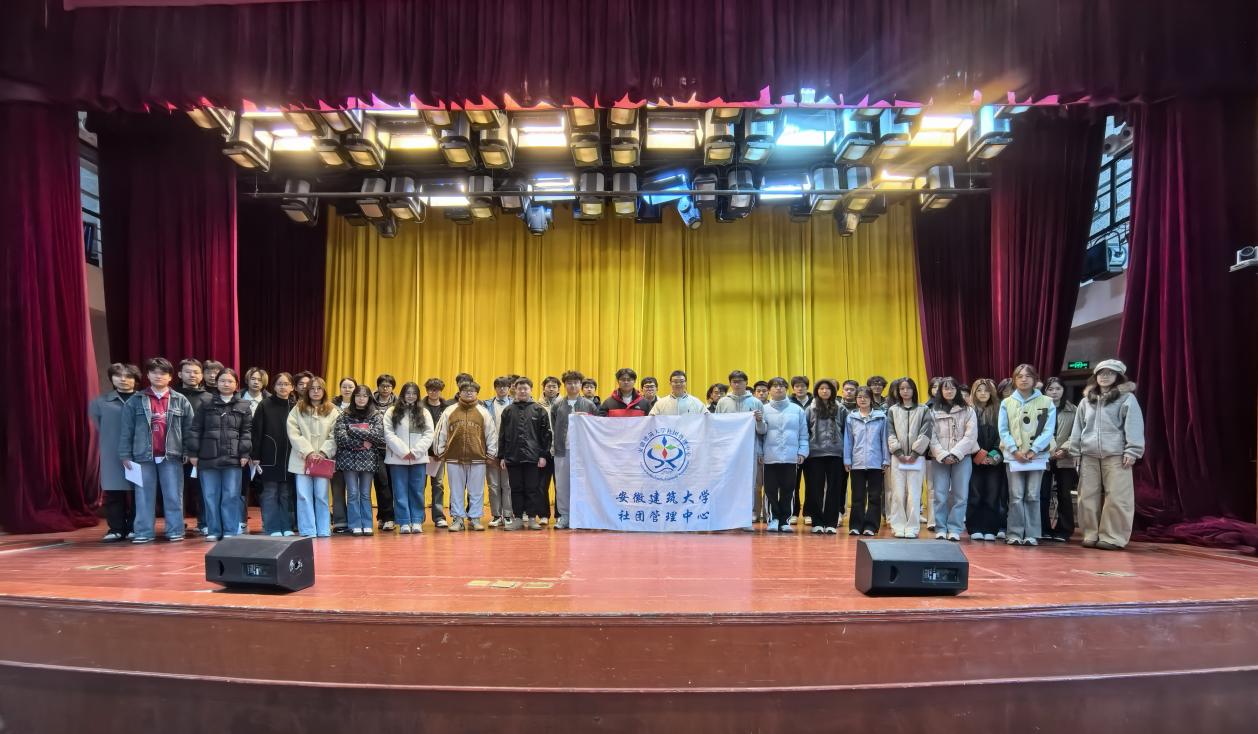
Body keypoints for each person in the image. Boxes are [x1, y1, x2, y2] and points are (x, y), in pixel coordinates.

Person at [1069, 360, 1145, 550]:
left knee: (1118, 497)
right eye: (1101, 373)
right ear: (1095, 376)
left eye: (1110, 373)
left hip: (1116, 454)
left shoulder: (1127, 398)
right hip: (1088, 454)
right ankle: (1090, 533)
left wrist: (1132, 450)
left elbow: (1134, 425)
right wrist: (1075, 450)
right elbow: (1078, 427)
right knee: (1086, 496)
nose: (1105, 376)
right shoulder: (1086, 401)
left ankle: (1113, 537)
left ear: (1118, 376)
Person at [119, 358, 195, 544]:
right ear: (148, 375)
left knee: (173, 495)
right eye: (154, 372)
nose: (158, 376)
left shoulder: (180, 400)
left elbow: (190, 429)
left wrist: (189, 451)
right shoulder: (135, 400)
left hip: (172, 455)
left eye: (163, 373)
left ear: (170, 377)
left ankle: (175, 530)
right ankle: (144, 532)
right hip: (142, 456)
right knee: (143, 496)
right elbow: (126, 430)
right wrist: (125, 455)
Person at [185, 368, 252, 542]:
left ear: (236, 384)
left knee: (231, 495)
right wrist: (193, 452)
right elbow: (195, 429)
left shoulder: (244, 406)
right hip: (208, 457)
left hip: (234, 457)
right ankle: (214, 530)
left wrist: (245, 453)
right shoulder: (205, 403)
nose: (226, 384)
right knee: (210, 496)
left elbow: (246, 432)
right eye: (222, 381)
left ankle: (230, 530)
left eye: (230, 381)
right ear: (217, 383)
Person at [998, 364, 1056, 546]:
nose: (1024, 379)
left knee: (1032, 495)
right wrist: (1014, 450)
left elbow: (1048, 430)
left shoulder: (1047, 401)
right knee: (1015, 496)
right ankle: (1014, 533)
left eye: (1028, 376)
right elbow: (1003, 430)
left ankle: (1032, 534)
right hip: (1013, 457)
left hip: (1037, 457)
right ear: (1014, 380)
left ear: (1035, 379)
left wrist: (1034, 450)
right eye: (1020, 376)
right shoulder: (1007, 402)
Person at [433, 380, 497, 532]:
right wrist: (439, 451)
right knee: (456, 490)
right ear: (459, 392)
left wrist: (491, 454)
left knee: (476, 490)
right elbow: (440, 432)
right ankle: (458, 519)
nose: (469, 393)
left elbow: (491, 434)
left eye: (472, 391)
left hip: (478, 458)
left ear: (477, 393)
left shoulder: (483, 412)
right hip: (454, 457)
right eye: (465, 390)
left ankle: (475, 518)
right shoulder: (449, 411)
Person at [89, 363, 141, 542]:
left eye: (128, 376)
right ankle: (116, 528)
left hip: (139, 452)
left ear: (136, 379)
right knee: (114, 492)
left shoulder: (143, 399)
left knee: (138, 492)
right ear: (111, 378)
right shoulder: (100, 402)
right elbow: (97, 426)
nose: (123, 379)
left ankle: (135, 526)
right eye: (118, 376)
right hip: (111, 453)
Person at [497, 377, 554, 531]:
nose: (522, 391)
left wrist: (543, 455)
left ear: (531, 390)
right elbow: (502, 435)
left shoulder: (539, 410)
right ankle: (517, 518)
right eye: (519, 388)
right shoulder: (508, 411)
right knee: (515, 488)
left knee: (532, 488)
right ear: (514, 390)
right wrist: (502, 456)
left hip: (533, 458)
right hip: (512, 456)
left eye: (525, 388)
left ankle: (532, 518)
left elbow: (546, 435)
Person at [286, 377, 339, 538]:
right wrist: (308, 451)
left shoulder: (332, 410)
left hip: (322, 460)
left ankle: (323, 529)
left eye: (319, 388)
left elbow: (335, 434)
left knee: (321, 496)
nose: (316, 391)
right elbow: (293, 432)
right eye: (312, 388)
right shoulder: (297, 409)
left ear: (324, 391)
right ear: (307, 391)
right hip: (302, 459)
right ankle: (308, 530)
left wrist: (323, 452)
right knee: (303, 495)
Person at [927, 377, 978, 542]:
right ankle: (941, 528)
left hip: (962, 458)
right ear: (940, 391)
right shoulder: (933, 411)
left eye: (952, 388)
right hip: (939, 459)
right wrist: (942, 455)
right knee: (940, 495)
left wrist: (955, 454)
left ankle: (955, 528)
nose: (949, 391)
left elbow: (971, 436)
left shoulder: (968, 411)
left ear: (957, 390)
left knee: (961, 495)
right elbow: (931, 436)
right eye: (945, 388)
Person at [384, 382, 435, 534]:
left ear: (418, 395)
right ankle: (404, 522)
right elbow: (388, 433)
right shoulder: (391, 411)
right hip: (397, 458)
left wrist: (415, 451)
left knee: (417, 491)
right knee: (399, 491)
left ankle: (417, 520)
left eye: (414, 393)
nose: (411, 396)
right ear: (402, 394)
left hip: (418, 459)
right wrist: (403, 451)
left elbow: (429, 434)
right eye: (408, 393)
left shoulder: (424, 412)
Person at [716, 370, 766, 526]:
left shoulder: (756, 402)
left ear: (746, 383)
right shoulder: (723, 402)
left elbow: (763, 431)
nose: (737, 384)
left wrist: (759, 421)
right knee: (727, 483)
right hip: (727, 452)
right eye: (734, 381)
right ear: (730, 383)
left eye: (740, 381)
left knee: (749, 484)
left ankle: (746, 517)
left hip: (750, 451)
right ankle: (726, 517)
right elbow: (717, 427)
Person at [335, 384, 386, 536]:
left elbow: (377, 436)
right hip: (348, 459)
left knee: (365, 493)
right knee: (352, 493)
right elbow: (341, 438)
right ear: (353, 397)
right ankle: (355, 524)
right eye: (358, 396)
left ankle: (367, 524)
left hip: (368, 459)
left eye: (364, 396)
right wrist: (363, 443)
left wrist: (353, 430)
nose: (361, 399)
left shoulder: (376, 415)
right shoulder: (344, 415)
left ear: (369, 398)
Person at [886, 377, 932, 539]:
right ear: (898, 391)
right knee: (898, 493)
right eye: (902, 389)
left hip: (916, 458)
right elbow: (890, 433)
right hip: (897, 458)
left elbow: (926, 433)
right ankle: (898, 525)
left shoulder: (923, 409)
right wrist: (898, 453)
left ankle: (912, 527)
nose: (905, 391)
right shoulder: (892, 410)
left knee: (914, 493)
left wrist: (914, 454)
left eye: (908, 388)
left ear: (914, 390)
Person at [551, 370, 598, 530]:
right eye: (569, 383)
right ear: (564, 385)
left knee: (584, 484)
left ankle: (583, 515)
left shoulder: (589, 405)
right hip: (562, 450)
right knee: (562, 485)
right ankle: (564, 516)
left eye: (576, 383)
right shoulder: (557, 405)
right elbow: (553, 427)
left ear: (581, 385)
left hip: (584, 452)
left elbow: (596, 426)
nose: (573, 386)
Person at [760, 377, 808, 532]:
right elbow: (759, 435)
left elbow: (804, 434)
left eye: (782, 386)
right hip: (770, 457)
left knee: (789, 490)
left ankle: (785, 520)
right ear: (769, 390)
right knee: (770, 490)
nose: (778, 388)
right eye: (775, 386)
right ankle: (773, 519)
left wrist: (802, 451)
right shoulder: (763, 409)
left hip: (790, 457)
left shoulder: (797, 410)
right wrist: (760, 452)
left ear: (786, 389)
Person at [250, 372, 295, 536]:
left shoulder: (295, 406)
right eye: (279, 384)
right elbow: (256, 432)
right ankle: (272, 527)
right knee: (270, 493)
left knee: (286, 493)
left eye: (286, 384)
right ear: (274, 386)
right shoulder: (265, 405)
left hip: (290, 456)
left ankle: (287, 526)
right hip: (268, 455)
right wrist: (255, 455)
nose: (283, 387)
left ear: (292, 387)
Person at [803, 378, 848, 534]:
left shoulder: (841, 408)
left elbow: (846, 432)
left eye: (827, 388)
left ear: (833, 391)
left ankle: (831, 523)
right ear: (816, 391)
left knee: (834, 489)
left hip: (836, 454)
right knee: (815, 489)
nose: (824, 391)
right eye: (821, 388)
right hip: (814, 455)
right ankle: (817, 522)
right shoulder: (810, 409)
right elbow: (805, 431)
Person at [844, 386, 890, 536]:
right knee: (857, 496)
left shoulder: (881, 417)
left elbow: (884, 440)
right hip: (856, 463)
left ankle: (871, 526)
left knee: (875, 496)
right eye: (859, 397)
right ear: (856, 400)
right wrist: (847, 459)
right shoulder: (851, 418)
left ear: (871, 399)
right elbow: (848, 441)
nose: (862, 399)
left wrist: (886, 459)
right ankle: (855, 525)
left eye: (865, 397)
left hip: (876, 462)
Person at [967, 379, 1005, 541]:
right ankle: (974, 528)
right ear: (974, 393)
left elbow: (1004, 435)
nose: (983, 393)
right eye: (979, 390)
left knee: (993, 495)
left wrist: (993, 456)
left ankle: (990, 529)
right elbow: (968, 436)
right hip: (973, 458)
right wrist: (979, 455)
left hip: (995, 460)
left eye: (986, 390)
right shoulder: (968, 411)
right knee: (975, 495)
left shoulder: (1000, 410)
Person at [174, 357, 207, 535]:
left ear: (202, 375)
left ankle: (204, 522)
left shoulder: (209, 397)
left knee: (203, 489)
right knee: (177, 490)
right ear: (179, 374)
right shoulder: (171, 396)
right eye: (187, 372)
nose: (192, 375)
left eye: (196, 372)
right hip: (175, 450)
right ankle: (177, 524)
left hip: (202, 452)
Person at [1042, 377, 1077, 542]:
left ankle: (1064, 530)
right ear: (1045, 391)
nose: (1054, 392)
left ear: (1063, 390)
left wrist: (1065, 449)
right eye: (1050, 389)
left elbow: (1077, 433)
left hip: (1065, 458)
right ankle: (1044, 528)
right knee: (1043, 494)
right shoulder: (1040, 408)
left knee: (1064, 494)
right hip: (1044, 457)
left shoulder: (1073, 410)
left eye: (1058, 388)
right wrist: (1051, 451)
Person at [237, 367, 270, 532]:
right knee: (241, 486)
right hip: (240, 449)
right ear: (247, 380)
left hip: (264, 450)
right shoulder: (237, 398)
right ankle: (241, 521)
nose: (256, 382)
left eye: (259, 379)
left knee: (264, 487)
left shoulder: (269, 400)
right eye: (253, 379)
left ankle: (267, 521)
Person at [422, 378, 455, 528]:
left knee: (438, 485)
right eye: (430, 389)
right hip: (421, 453)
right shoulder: (419, 406)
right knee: (419, 485)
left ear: (441, 391)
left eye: (436, 389)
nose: (433, 392)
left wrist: (442, 451)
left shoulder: (447, 407)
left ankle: (439, 517)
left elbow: (450, 430)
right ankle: (418, 517)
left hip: (439, 454)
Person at [483, 376, 515, 528]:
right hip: (491, 449)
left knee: (508, 485)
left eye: (505, 386)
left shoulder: (515, 404)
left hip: (509, 451)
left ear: (509, 388)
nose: (502, 389)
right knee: (493, 485)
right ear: (495, 388)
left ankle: (508, 514)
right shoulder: (486, 405)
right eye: (499, 386)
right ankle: (496, 515)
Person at [328, 377, 358, 533]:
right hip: (336, 453)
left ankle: (355, 521)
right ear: (340, 388)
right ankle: (340, 522)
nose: (347, 389)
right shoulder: (330, 406)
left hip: (356, 454)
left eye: (350, 387)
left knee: (354, 490)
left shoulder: (361, 405)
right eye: (344, 386)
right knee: (337, 488)